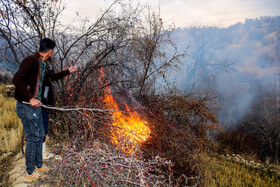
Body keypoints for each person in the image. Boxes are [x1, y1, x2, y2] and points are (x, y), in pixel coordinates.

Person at [12, 38, 77, 181]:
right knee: (32, 137)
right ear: (51, 51)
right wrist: (30, 98)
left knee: (40, 135)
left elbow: (52, 77)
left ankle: (39, 165)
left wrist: (68, 71)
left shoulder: (43, 64)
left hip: (35, 106)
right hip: (26, 105)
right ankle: (30, 172)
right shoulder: (31, 61)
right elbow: (16, 79)